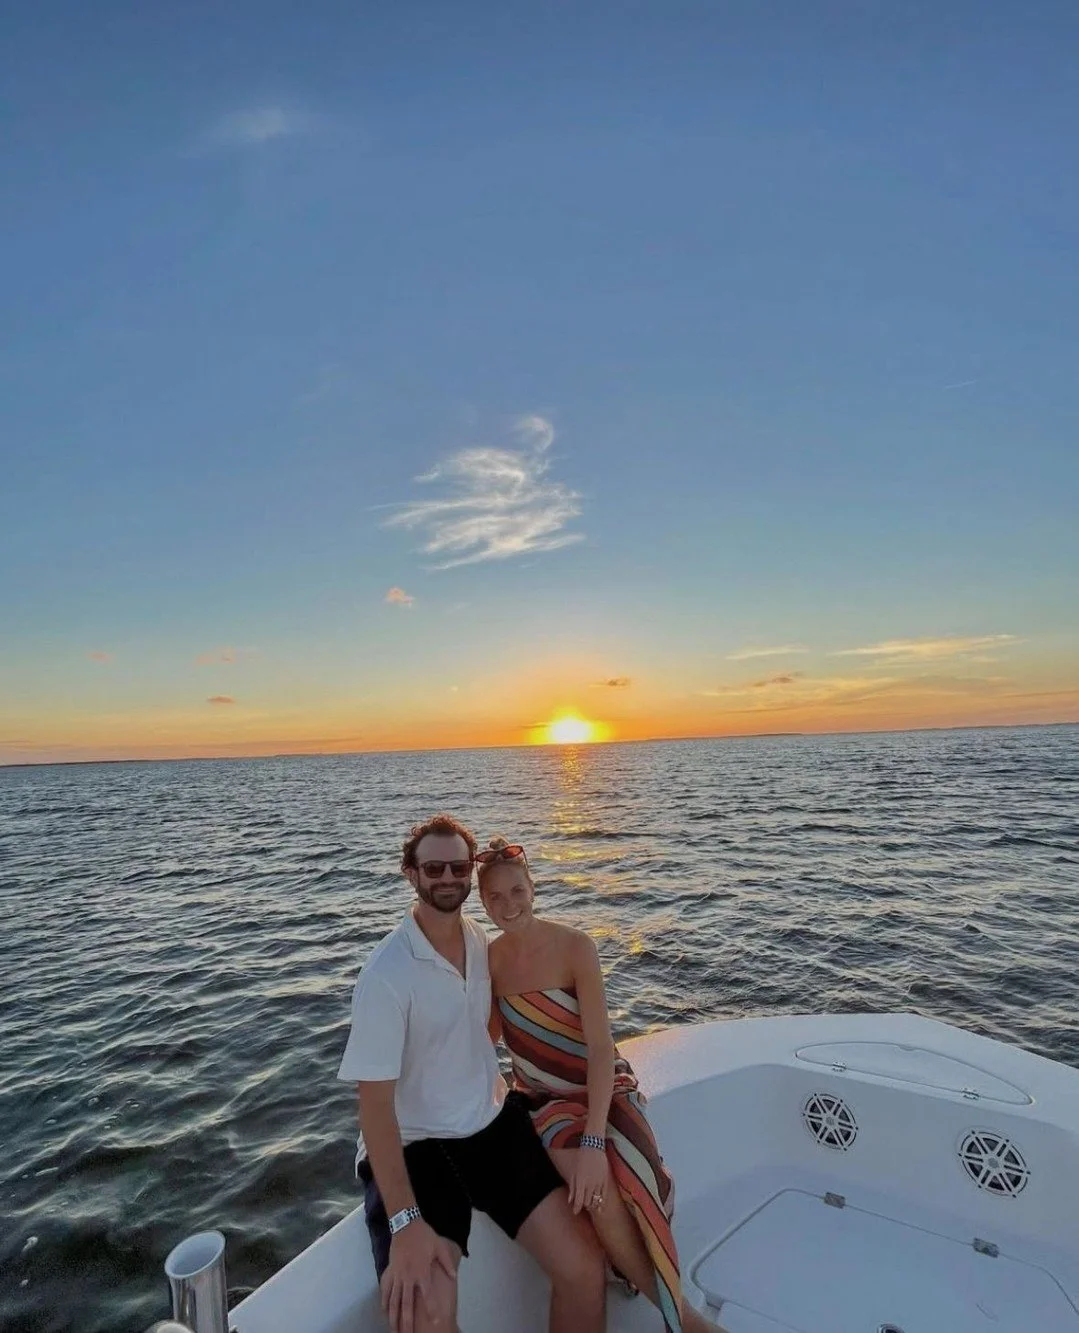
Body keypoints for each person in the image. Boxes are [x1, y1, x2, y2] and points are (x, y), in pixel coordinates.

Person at [337, 813, 607, 1333]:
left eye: (457, 867)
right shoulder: (386, 976)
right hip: (418, 1146)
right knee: (425, 1317)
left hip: (491, 1125)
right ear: (410, 874)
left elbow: (489, 1030)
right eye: (432, 867)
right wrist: (404, 1221)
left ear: (470, 874)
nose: (447, 878)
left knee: (584, 1270)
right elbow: (373, 1110)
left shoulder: (482, 942)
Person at [477, 836, 729, 1333]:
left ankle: (645, 1278)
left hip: (603, 1086)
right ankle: (684, 1318)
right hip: (545, 1102)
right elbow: (485, 1037)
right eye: (495, 898)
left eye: (517, 891)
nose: (509, 906)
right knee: (597, 1193)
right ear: (482, 903)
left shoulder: (576, 947)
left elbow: (598, 1047)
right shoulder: (489, 963)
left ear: (533, 888)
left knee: (630, 1168)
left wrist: (595, 1138)